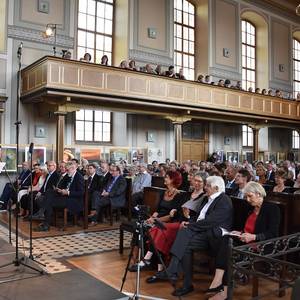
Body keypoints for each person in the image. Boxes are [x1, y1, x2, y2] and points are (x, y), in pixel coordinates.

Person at [151, 176, 232, 297]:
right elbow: (199, 216)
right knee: (184, 237)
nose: (205, 188)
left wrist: (191, 224)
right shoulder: (207, 198)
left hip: (213, 234)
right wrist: (189, 220)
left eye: (208, 186)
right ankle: (182, 280)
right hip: (200, 231)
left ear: (216, 188)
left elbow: (211, 221)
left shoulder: (224, 200)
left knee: (184, 235)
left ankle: (175, 273)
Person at [207, 181, 280, 299]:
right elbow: (247, 228)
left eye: (250, 196)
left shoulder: (272, 209)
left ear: (259, 194)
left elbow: (272, 233)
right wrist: (239, 232)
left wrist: (253, 237)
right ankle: (218, 282)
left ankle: (222, 290)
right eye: (246, 196)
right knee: (225, 239)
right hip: (245, 241)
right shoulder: (250, 209)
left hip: (261, 245)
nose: (247, 199)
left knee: (228, 252)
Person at [145, 174, 206, 282]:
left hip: (186, 224)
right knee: (156, 229)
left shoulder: (204, 197)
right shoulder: (186, 194)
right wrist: (174, 210)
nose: (196, 183)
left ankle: (148, 260)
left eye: (199, 181)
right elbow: (177, 207)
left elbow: (199, 217)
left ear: (204, 183)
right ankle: (157, 265)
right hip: (177, 220)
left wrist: (188, 216)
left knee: (160, 229)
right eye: (195, 180)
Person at [128, 170, 185, 271]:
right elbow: (158, 210)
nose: (165, 179)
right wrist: (152, 217)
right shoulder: (164, 192)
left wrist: (156, 220)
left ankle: (147, 260)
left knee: (147, 228)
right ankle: (134, 258)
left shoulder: (179, 195)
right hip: (157, 218)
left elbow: (172, 216)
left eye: (167, 177)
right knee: (139, 227)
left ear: (173, 180)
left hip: (167, 221)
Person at [34, 161, 84, 232]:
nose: (66, 171)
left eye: (67, 169)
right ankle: (43, 218)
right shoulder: (68, 175)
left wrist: (68, 192)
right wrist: (60, 190)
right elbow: (64, 186)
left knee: (49, 202)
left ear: (73, 168)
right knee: (49, 192)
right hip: (65, 196)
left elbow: (81, 193)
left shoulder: (79, 177)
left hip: (74, 200)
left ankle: (44, 221)